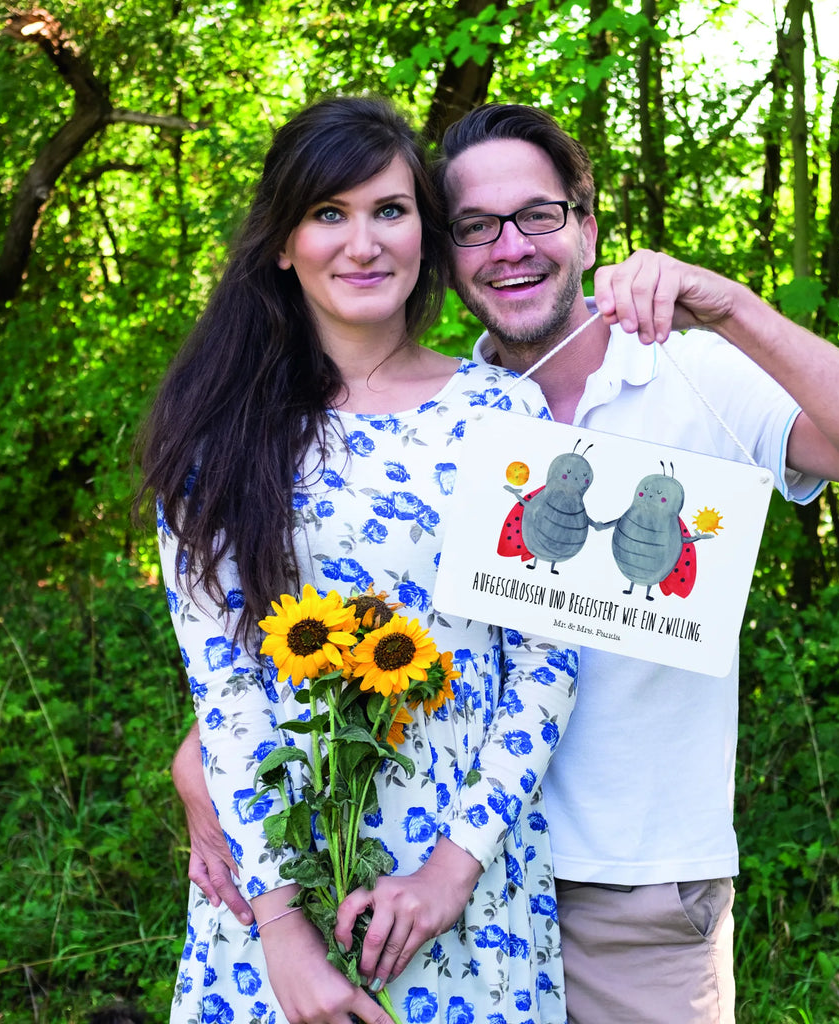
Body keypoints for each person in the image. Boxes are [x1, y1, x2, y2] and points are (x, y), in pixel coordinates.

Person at [175, 102, 839, 1024]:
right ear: (447, 251)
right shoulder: (440, 417)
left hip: (627, 888)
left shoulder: (685, 372)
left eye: (538, 215)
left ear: (585, 225)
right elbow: (311, 630)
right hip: (400, 875)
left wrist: (733, 306)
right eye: (475, 226)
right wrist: (208, 770)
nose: (510, 247)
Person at [138, 96, 582, 1024]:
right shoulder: (216, 438)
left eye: (390, 210)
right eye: (328, 214)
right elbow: (225, 692)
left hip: (466, 887)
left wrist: (451, 872)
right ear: (281, 243)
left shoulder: (507, 416)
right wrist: (285, 937)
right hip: (277, 886)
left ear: (425, 229)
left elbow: (547, 663)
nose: (363, 242)